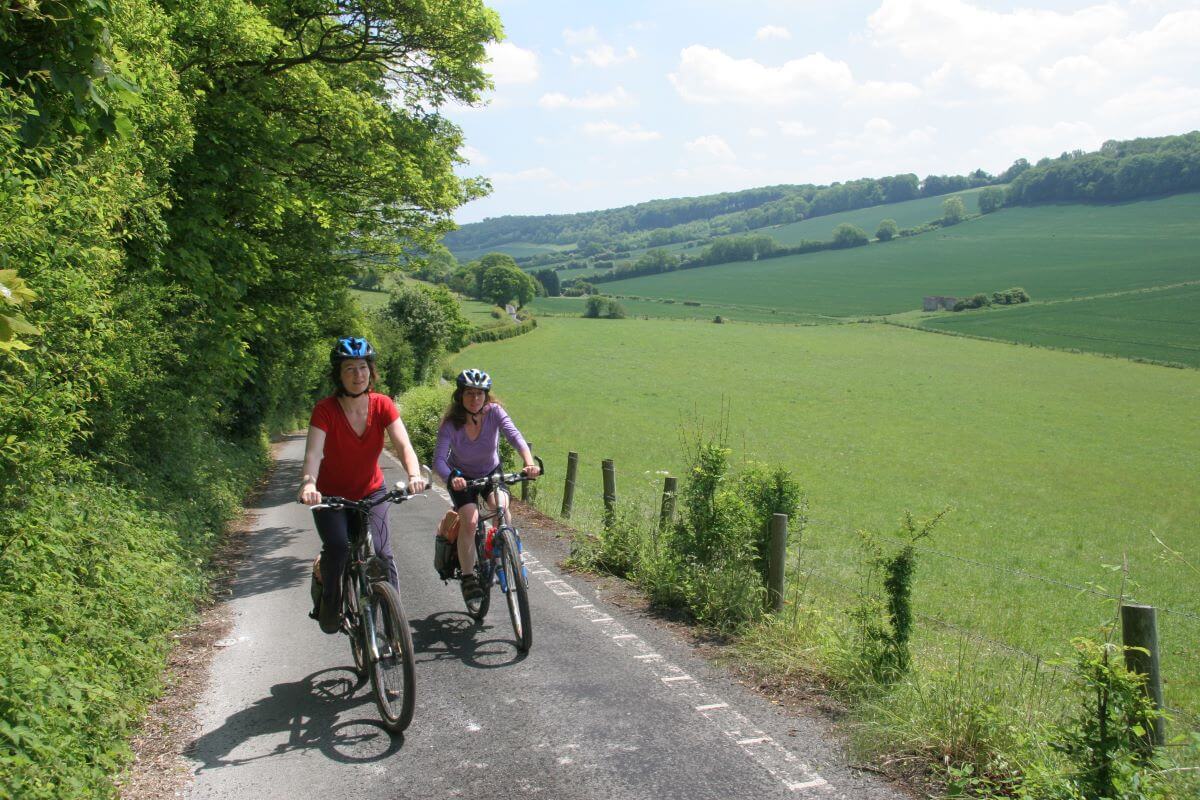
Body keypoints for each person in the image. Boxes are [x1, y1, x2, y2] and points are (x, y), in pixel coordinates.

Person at [298, 336, 427, 633]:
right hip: (331, 496)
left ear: (371, 370)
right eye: (350, 369)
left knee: (382, 553)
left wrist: (413, 475)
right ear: (338, 375)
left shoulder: (382, 404)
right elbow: (313, 454)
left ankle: (395, 627)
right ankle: (330, 603)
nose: (358, 375)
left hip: (371, 491)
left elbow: (403, 445)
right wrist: (309, 485)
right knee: (338, 548)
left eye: (363, 367)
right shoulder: (325, 410)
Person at [433, 368, 539, 602]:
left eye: (479, 393)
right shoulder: (451, 423)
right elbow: (439, 460)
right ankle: (468, 578)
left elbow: (514, 436)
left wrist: (529, 462)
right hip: (461, 478)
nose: (475, 398)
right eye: (469, 393)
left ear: (486, 395)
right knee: (470, 520)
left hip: (491, 471)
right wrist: (451, 478)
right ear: (460, 396)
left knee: (501, 507)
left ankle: (501, 547)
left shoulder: (494, 412)